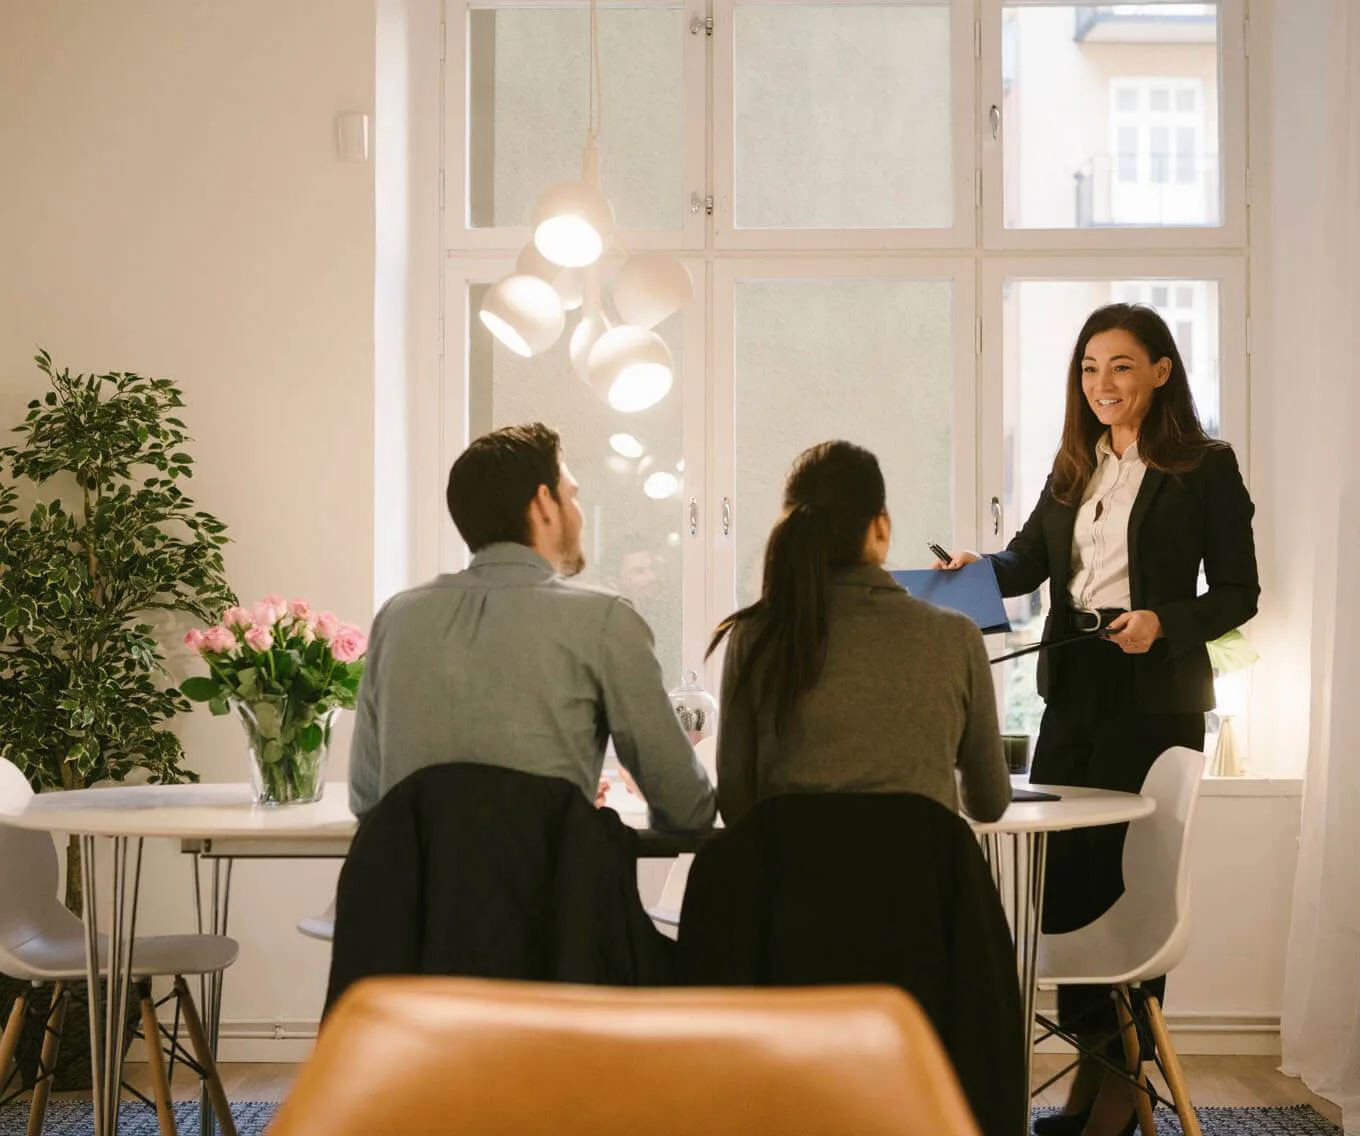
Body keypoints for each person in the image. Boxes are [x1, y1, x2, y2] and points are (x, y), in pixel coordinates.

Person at [936, 304, 1259, 1136]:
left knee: (1129, 887)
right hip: (1073, 687)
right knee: (1069, 888)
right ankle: (1096, 1073)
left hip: (1155, 698)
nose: (1102, 384)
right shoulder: (1074, 465)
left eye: (1120, 366)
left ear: (1160, 370)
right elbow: (1027, 562)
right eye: (1089, 368)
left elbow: (1238, 592)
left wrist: (1162, 622)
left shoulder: (1204, 466)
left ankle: (1122, 1088)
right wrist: (979, 566)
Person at [348, 422, 716, 833]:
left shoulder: (396, 619)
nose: (578, 512)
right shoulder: (605, 620)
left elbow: (367, 798)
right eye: (572, 495)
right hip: (553, 897)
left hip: (414, 897)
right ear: (543, 502)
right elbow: (688, 810)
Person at [711, 440, 1011, 826]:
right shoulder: (955, 636)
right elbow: (990, 802)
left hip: (792, 882)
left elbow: (736, 803)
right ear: (881, 527)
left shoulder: (754, 635)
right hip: (921, 882)